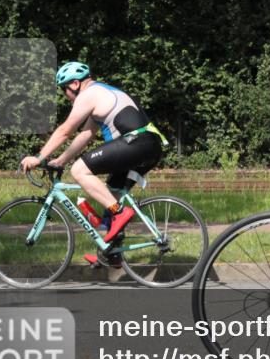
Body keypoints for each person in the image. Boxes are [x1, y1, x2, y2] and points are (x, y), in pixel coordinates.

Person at [20, 61, 167, 267]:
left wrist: (39, 157)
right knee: (111, 193)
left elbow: (65, 131)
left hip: (135, 142)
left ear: (74, 84)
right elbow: (85, 135)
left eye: (64, 90)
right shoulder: (102, 92)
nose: (66, 96)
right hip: (150, 146)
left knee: (79, 170)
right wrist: (61, 159)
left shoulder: (88, 95)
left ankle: (119, 212)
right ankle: (111, 254)